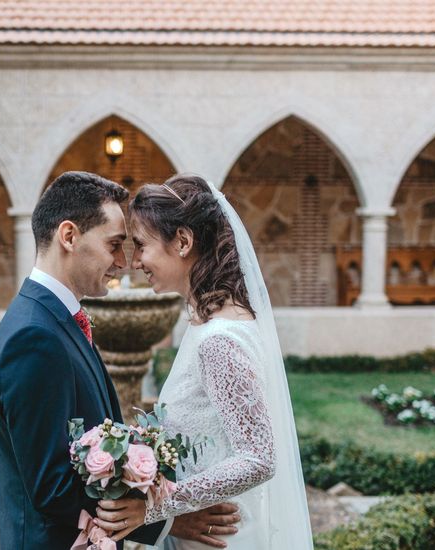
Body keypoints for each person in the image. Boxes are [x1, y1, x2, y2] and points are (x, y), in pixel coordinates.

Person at [0, 171, 242, 549]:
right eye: (114, 244)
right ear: (69, 237)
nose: (123, 262)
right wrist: (166, 521)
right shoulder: (34, 337)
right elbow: (51, 487)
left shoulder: (49, 319)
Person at [93, 173, 314, 549]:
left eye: (142, 245)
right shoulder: (213, 321)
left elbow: (258, 457)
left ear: (182, 241)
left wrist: (156, 506)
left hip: (219, 538)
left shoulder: (218, 340)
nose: (136, 262)